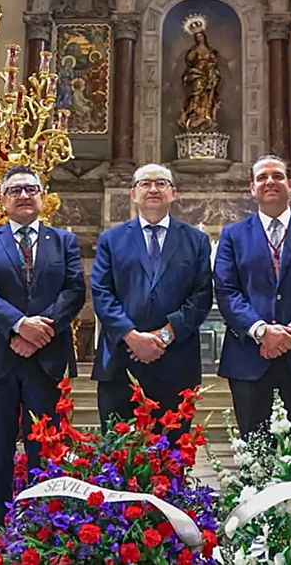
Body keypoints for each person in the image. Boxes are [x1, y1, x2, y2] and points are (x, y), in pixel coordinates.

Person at [0, 165, 86, 562]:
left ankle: (43, 536)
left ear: (43, 195)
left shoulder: (63, 240)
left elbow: (74, 291)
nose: (24, 195)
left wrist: (40, 331)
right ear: (3, 199)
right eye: (15, 189)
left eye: (31, 188)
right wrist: (17, 325)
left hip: (45, 360)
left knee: (44, 454)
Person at [213, 155, 291, 436]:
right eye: (262, 177)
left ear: (290, 184)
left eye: (277, 176)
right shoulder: (233, 235)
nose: (269, 181)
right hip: (249, 357)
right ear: (252, 188)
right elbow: (226, 290)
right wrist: (262, 331)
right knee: (255, 452)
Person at [90, 163, 213, 429]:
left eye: (162, 183)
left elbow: (201, 296)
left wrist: (163, 336)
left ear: (173, 193)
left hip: (176, 362)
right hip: (121, 361)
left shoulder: (196, 240)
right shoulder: (111, 239)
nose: (153, 189)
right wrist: (131, 336)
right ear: (133, 193)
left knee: (171, 456)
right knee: (118, 456)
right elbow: (101, 292)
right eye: (145, 183)